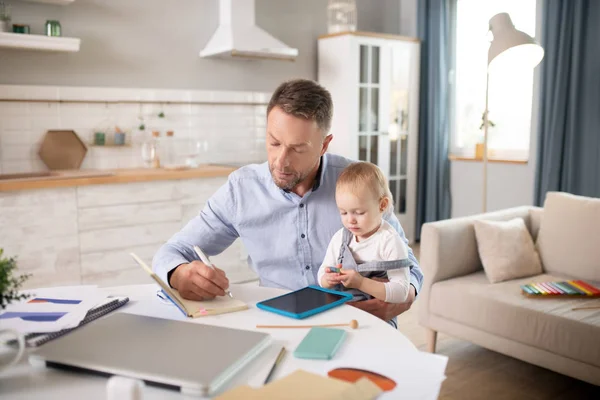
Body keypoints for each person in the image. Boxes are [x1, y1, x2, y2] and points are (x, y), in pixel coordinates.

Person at [152, 78, 423, 324]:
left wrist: (406, 296)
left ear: (324, 144)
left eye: (297, 149)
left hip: (360, 323)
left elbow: (409, 265)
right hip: (280, 323)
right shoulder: (241, 190)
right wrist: (178, 273)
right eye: (274, 143)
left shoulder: (360, 183)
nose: (281, 161)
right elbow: (172, 251)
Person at [318, 162, 412, 304]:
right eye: (343, 212)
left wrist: (360, 283)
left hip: (377, 317)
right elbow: (322, 273)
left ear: (382, 205)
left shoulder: (389, 241)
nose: (350, 220)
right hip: (344, 309)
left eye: (359, 213)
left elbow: (401, 292)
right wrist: (327, 279)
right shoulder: (340, 238)